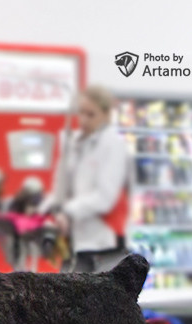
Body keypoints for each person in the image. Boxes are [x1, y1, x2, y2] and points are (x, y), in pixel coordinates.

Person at [42, 85, 130, 273]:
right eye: (81, 113)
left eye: (91, 115)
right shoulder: (72, 143)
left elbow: (105, 197)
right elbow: (61, 188)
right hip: (74, 241)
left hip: (103, 242)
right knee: (65, 288)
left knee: (100, 291)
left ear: (106, 115)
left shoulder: (113, 145)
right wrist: (45, 209)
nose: (83, 120)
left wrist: (69, 212)